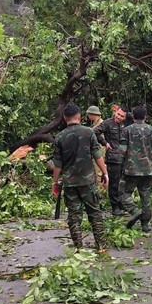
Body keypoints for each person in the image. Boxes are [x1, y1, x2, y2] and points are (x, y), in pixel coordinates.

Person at [52, 103, 109, 250]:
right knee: (95, 213)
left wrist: (55, 183)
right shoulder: (89, 132)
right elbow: (98, 155)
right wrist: (105, 173)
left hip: (70, 183)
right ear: (79, 117)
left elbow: (57, 164)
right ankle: (101, 245)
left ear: (65, 118)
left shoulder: (59, 137)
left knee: (74, 216)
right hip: (88, 181)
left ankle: (78, 247)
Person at [119, 106, 152, 232]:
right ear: (145, 117)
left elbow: (123, 150)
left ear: (132, 117)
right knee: (146, 197)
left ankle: (134, 210)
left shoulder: (127, 130)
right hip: (147, 169)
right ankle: (145, 224)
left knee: (124, 193)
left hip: (131, 169)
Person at [94, 106, 129, 216]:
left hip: (124, 157)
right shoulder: (108, 123)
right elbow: (95, 132)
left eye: (121, 116)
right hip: (113, 158)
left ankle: (120, 203)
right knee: (114, 183)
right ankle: (115, 207)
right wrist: (105, 143)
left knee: (122, 182)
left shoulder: (125, 125)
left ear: (125, 118)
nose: (118, 117)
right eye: (118, 114)